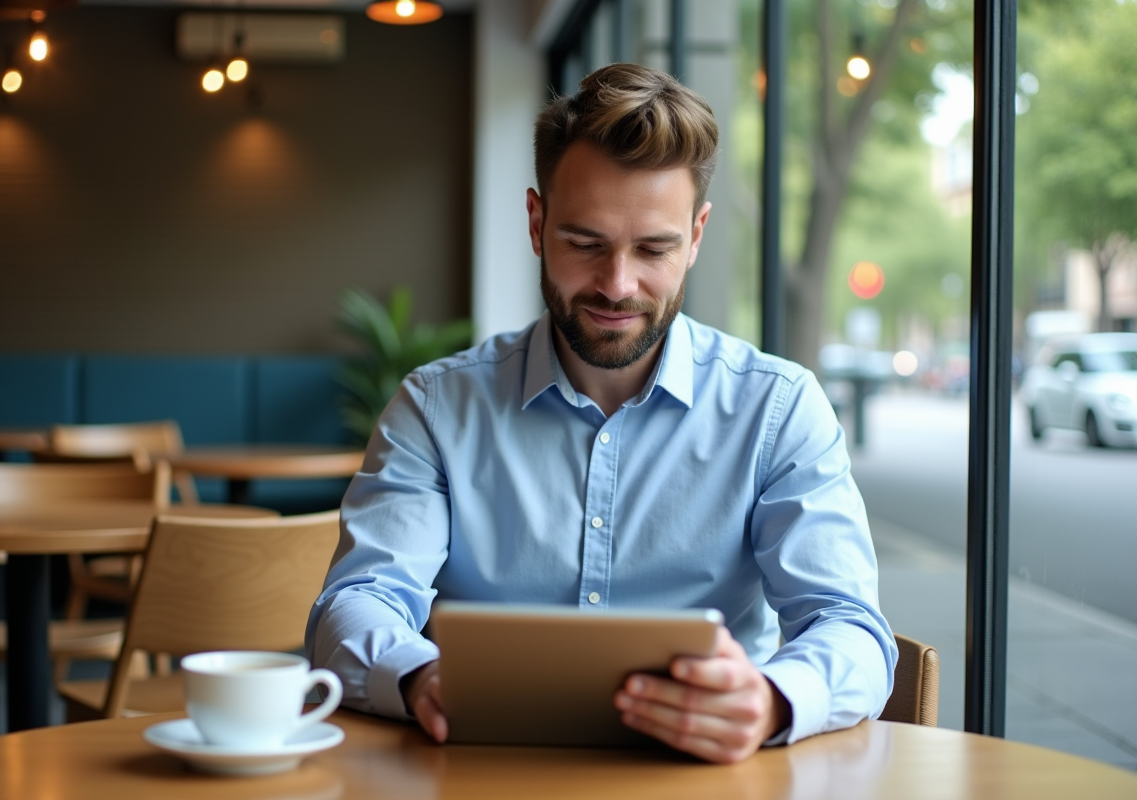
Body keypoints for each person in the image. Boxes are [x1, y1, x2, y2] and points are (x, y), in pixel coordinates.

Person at [306, 63, 897, 764]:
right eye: (585, 244)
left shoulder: (778, 408)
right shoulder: (437, 408)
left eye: (654, 248)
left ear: (698, 236)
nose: (617, 286)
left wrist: (770, 698)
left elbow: (849, 625)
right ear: (536, 223)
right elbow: (358, 601)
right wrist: (418, 674)